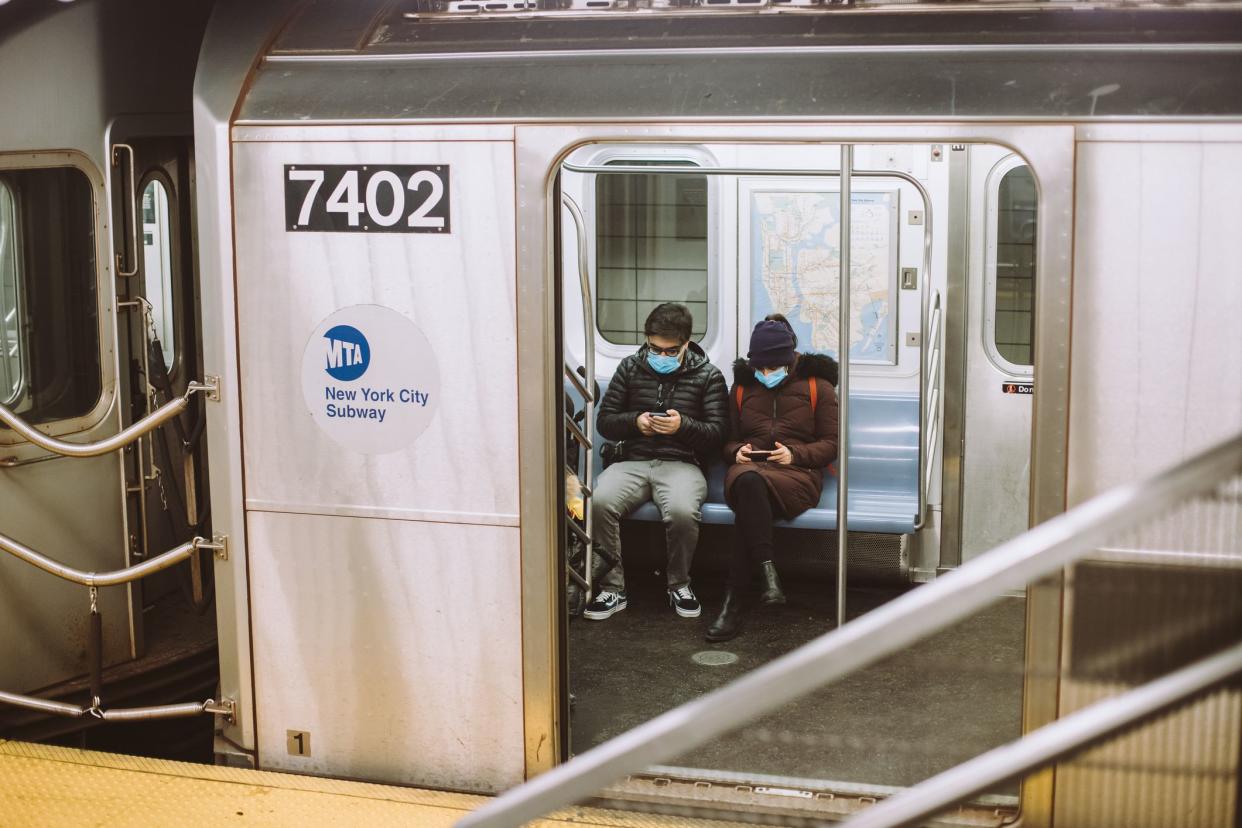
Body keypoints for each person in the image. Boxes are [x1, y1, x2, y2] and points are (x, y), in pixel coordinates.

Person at [585, 303, 729, 621]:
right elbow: (605, 422)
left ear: (686, 344)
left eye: (670, 351)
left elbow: (718, 434)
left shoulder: (708, 376)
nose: (661, 356)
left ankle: (679, 582)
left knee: (681, 511)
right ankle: (613, 588)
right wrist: (635, 422)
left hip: (682, 463)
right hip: (632, 460)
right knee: (600, 502)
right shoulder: (629, 368)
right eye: (654, 348)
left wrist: (683, 427)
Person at [706, 314, 839, 642]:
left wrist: (794, 455)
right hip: (748, 470)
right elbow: (727, 440)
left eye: (773, 368)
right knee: (751, 483)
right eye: (759, 368)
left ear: (789, 360)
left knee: (749, 509)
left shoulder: (817, 387)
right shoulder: (741, 388)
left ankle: (735, 598)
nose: (765, 375)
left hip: (797, 474)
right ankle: (766, 575)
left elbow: (831, 445)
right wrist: (736, 452)